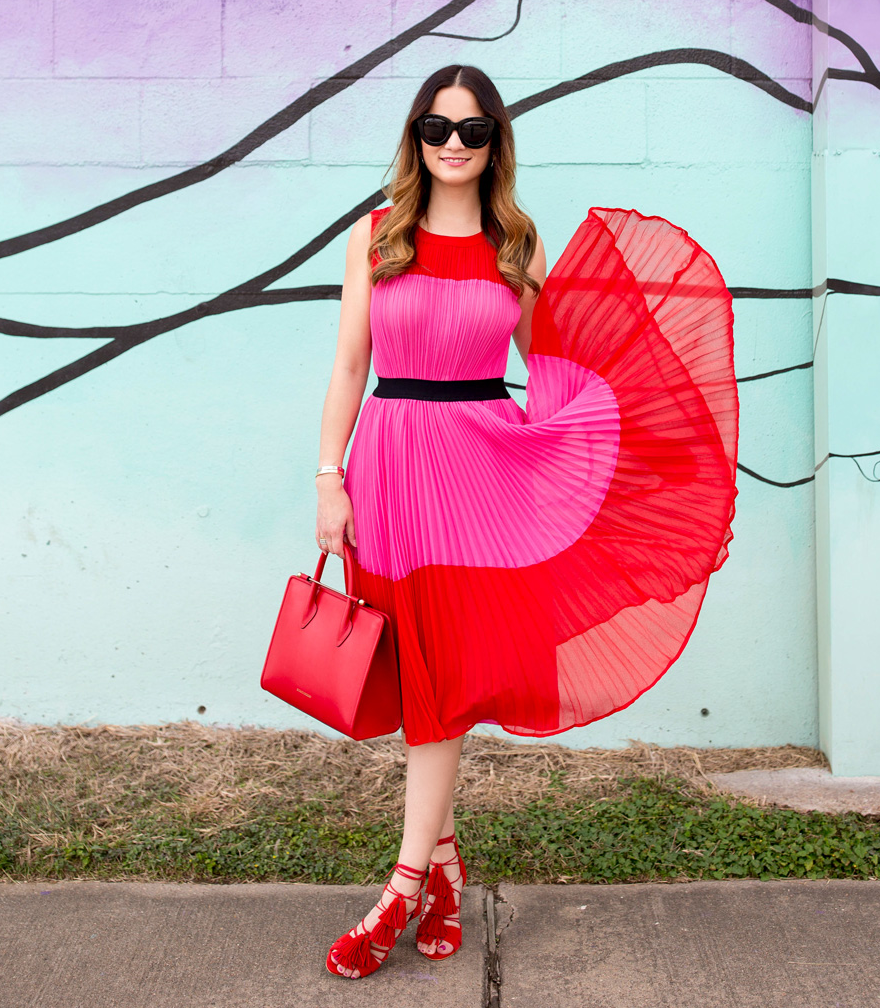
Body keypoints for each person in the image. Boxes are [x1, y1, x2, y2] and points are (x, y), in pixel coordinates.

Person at [315, 64, 738, 978]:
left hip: (481, 482)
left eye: (473, 131)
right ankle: (448, 867)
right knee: (425, 680)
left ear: (496, 141)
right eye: (437, 128)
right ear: (416, 137)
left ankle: (399, 888)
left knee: (448, 684)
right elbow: (351, 368)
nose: (454, 145)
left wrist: (632, 427)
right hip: (389, 472)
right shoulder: (378, 236)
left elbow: (557, 363)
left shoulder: (516, 242)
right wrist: (327, 477)